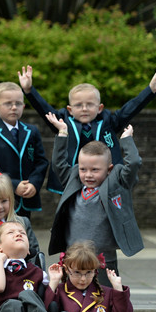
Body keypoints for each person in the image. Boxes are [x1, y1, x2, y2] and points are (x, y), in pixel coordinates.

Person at [19, 66, 156, 179]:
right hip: (74, 179)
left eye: (90, 104)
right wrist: (29, 90)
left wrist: (150, 90)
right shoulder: (63, 122)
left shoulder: (108, 121)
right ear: (69, 109)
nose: (84, 109)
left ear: (100, 108)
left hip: (106, 178)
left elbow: (130, 108)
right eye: (78, 105)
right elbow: (44, 109)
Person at [45, 114, 143, 283]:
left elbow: (133, 164)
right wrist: (62, 133)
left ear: (109, 169)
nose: (88, 175)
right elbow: (58, 164)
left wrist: (126, 141)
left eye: (95, 170)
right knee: (72, 300)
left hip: (104, 258)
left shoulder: (117, 181)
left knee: (106, 297)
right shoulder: (73, 178)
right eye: (83, 169)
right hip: (74, 257)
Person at [0, 81, 49, 216]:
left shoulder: (32, 131)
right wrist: (14, 185)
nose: (14, 107)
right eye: (8, 103)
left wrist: (33, 184)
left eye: (18, 103)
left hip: (26, 197)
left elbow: (41, 161)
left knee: (22, 231)